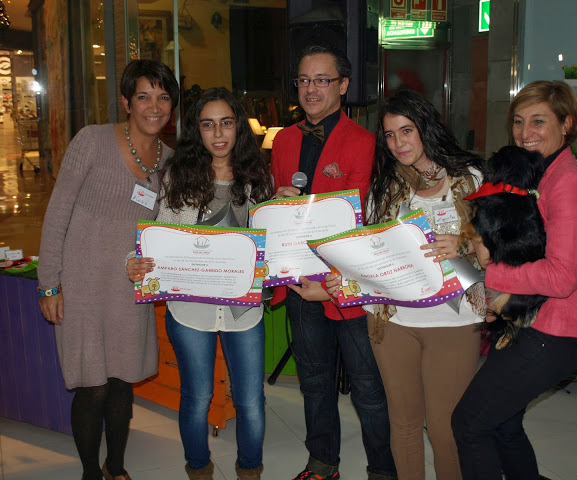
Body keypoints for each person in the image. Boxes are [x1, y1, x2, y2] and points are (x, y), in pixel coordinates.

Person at [451, 80, 577, 479]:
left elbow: (561, 277)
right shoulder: (539, 175)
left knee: (469, 425)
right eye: (518, 121)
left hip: (555, 332)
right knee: (503, 425)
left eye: (539, 121)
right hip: (532, 323)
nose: (524, 133)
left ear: (567, 124)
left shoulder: (569, 183)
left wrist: (489, 270)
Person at [37, 59, 180, 480]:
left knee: (121, 382)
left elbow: (168, 230)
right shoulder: (92, 140)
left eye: (163, 97)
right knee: (92, 386)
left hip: (129, 286)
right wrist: (49, 285)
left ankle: (115, 467)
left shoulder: (171, 163)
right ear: (126, 101)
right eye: (143, 96)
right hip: (80, 283)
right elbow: (57, 213)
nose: (154, 107)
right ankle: (90, 473)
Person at [128, 88, 273, 480]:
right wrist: (135, 261)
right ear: (197, 130)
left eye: (226, 123)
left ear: (239, 127)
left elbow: (270, 242)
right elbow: (159, 234)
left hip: (244, 312)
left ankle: (250, 470)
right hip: (190, 310)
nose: (218, 133)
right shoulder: (178, 176)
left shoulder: (258, 177)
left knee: (251, 400)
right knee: (197, 397)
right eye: (208, 125)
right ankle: (198, 468)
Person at [270, 44, 397, 480]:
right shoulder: (283, 140)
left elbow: (366, 222)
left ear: (343, 85)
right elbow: (278, 216)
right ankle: (323, 462)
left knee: (368, 387)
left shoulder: (365, 143)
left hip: (349, 286)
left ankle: (383, 470)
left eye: (322, 80)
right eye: (304, 80)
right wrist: (276, 203)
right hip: (299, 282)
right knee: (313, 382)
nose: (311, 89)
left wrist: (334, 282)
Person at [360, 89, 485, 479]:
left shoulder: (470, 179)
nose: (398, 143)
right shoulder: (384, 187)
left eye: (406, 130)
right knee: (404, 424)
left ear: (426, 128)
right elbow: (370, 248)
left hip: (454, 320)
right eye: (390, 134)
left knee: (446, 429)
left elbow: (500, 242)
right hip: (393, 319)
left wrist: (465, 243)